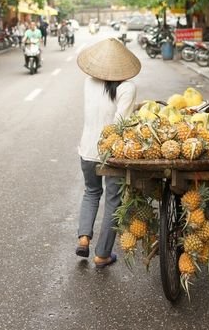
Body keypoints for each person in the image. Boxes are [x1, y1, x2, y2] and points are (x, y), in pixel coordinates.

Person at [75, 38, 141, 268]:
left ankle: (83, 238)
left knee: (91, 192)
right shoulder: (127, 87)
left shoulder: (89, 82)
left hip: (87, 149)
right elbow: (120, 124)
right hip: (111, 153)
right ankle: (102, 254)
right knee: (113, 201)